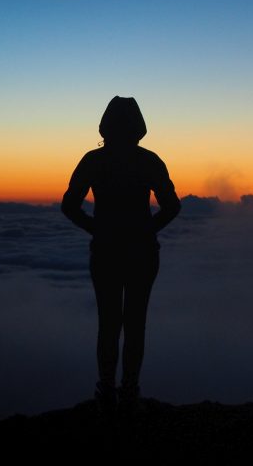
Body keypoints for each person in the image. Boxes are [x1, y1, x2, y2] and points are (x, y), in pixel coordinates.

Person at [61, 96, 181, 414]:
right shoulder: (149, 161)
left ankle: (107, 391)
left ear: (105, 126)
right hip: (142, 252)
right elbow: (172, 207)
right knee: (135, 324)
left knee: (109, 324)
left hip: (106, 252)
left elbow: (69, 206)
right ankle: (129, 392)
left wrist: (97, 230)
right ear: (139, 129)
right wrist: (146, 230)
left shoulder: (93, 160)